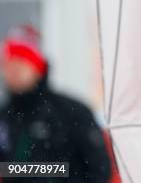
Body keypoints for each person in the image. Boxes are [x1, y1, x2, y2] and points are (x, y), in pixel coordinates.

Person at [0, 25, 112, 182]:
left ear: (37, 67)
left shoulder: (71, 112)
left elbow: (99, 168)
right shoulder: (5, 116)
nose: (12, 72)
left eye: (20, 64)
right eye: (8, 65)